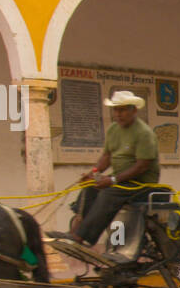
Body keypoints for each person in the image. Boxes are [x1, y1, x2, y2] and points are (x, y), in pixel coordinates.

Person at [61, 90, 161, 247]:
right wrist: (94, 173)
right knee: (89, 189)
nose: (118, 114)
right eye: (116, 110)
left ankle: (83, 238)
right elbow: (106, 156)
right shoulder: (113, 130)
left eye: (122, 110)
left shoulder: (144, 133)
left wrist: (112, 180)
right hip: (120, 180)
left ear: (133, 110)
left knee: (108, 194)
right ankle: (75, 231)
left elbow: (142, 166)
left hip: (141, 184)